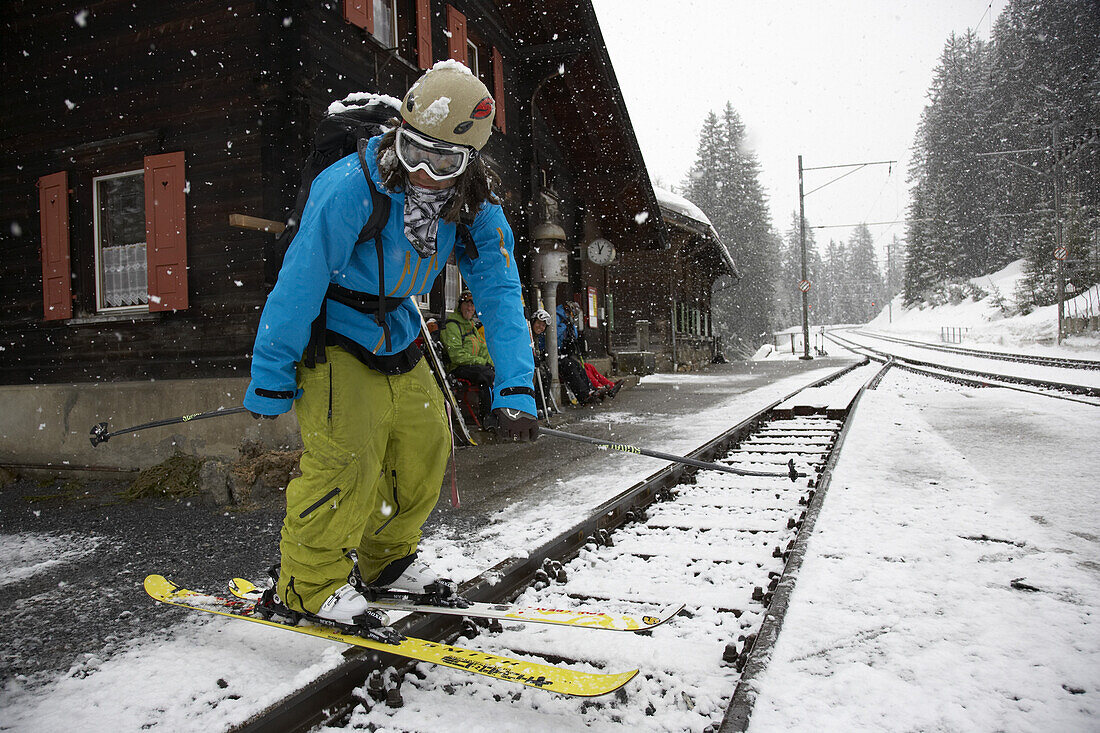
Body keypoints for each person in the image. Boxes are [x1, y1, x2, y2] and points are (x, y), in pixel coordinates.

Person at [243, 62, 538, 631]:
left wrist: (518, 388)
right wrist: (271, 372)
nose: (425, 172)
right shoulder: (351, 185)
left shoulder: (478, 206)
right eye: (413, 151)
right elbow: (299, 280)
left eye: (446, 161)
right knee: (346, 459)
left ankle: (386, 560)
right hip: (334, 327)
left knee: (422, 449)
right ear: (398, 135)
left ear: (470, 163)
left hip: (400, 326)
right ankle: (306, 585)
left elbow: (500, 296)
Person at [441, 290, 495, 426]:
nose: (470, 308)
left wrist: (491, 363)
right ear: (460, 306)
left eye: (472, 305)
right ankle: (487, 416)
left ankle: (496, 412)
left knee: (494, 373)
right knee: (485, 374)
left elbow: (483, 348)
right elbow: (456, 355)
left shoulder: (471, 325)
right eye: (466, 305)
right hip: (457, 367)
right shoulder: (452, 325)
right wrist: (482, 363)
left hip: (473, 366)